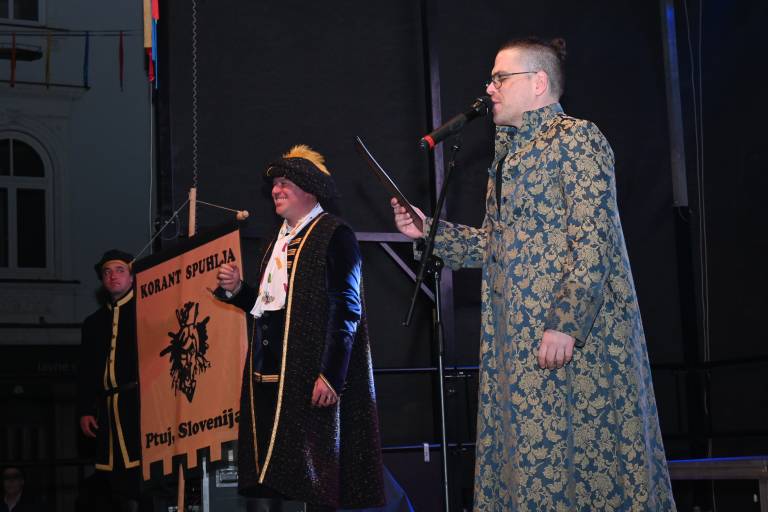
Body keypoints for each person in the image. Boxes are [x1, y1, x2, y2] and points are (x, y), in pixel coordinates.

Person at [392, 37, 676, 511]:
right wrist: (429, 230)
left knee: (586, 464)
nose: (490, 88)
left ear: (538, 83)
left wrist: (566, 321)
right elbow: (493, 245)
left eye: (500, 78)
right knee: (531, 468)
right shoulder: (508, 158)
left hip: (573, 343)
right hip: (517, 346)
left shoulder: (576, 139)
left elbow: (594, 238)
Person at [216, 145, 385, 511]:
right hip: (272, 374)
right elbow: (269, 307)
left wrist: (331, 375)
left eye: (284, 183)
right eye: (274, 184)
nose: (276, 190)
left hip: (311, 375)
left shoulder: (334, 234)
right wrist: (237, 290)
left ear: (309, 189)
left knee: (316, 478)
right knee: (277, 479)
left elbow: (347, 309)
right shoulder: (276, 240)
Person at [77, 250, 142, 512]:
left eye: (120, 270)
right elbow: (86, 371)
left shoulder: (145, 310)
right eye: (107, 272)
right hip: (106, 409)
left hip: (137, 404)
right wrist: (84, 409)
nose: (113, 276)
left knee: (142, 478)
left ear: (132, 277)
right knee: (114, 483)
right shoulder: (93, 323)